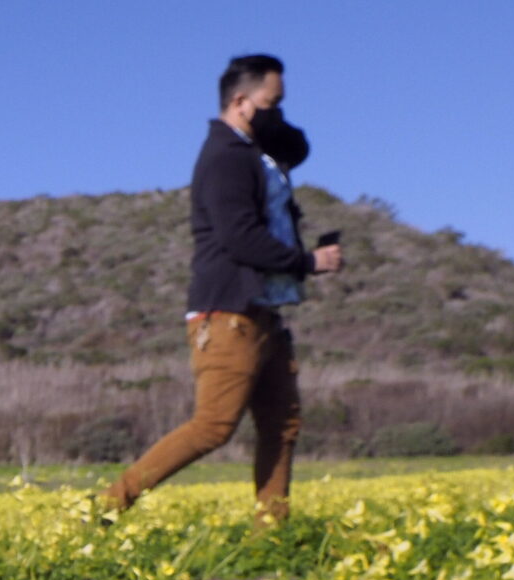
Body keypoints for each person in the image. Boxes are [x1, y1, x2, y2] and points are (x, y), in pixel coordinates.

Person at [102, 53, 343, 529]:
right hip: (227, 314)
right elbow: (240, 239)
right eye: (272, 102)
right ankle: (106, 508)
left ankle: (270, 536)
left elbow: (299, 145)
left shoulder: (257, 152)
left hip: (264, 311)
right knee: (214, 425)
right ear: (239, 101)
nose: (279, 112)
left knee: (282, 426)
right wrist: (308, 262)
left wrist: (269, 119)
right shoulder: (224, 159)